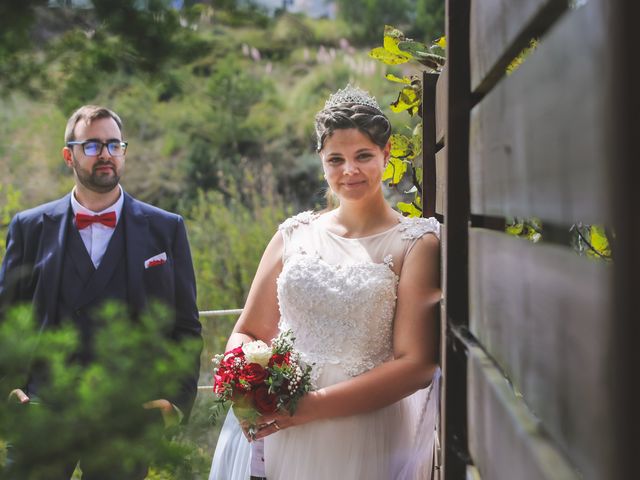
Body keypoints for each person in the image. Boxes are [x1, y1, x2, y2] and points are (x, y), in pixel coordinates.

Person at [209, 85, 441, 480]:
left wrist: (311, 406)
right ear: (321, 162)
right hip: (281, 427)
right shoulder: (292, 234)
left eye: (363, 156)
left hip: (365, 434)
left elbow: (416, 364)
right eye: (336, 159)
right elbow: (247, 331)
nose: (349, 170)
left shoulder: (416, 243)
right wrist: (247, 383)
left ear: (386, 155)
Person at [0, 105, 203, 479]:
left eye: (114, 144)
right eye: (92, 146)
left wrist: (175, 402)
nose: (106, 154)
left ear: (124, 151)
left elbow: (185, 325)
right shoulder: (29, 227)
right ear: (69, 156)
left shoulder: (165, 229)